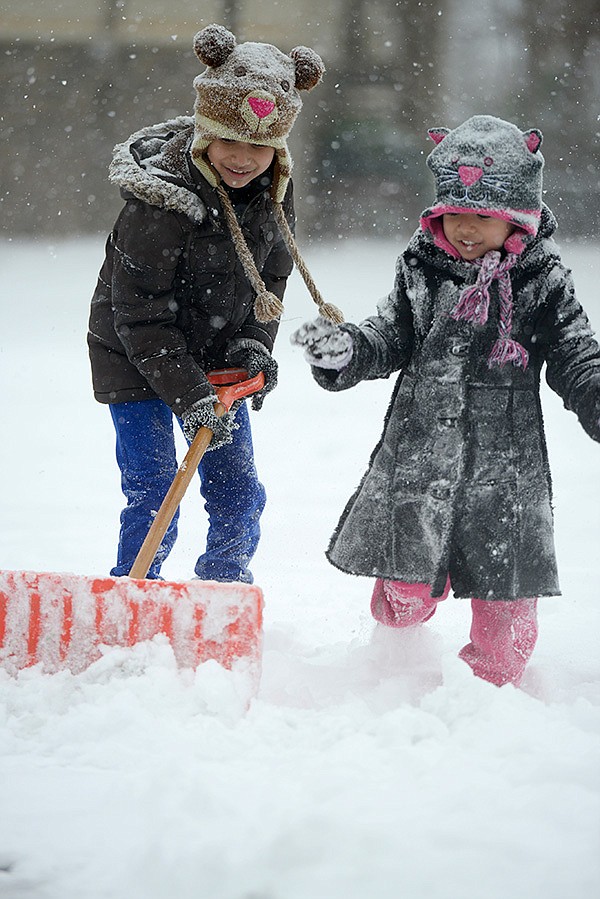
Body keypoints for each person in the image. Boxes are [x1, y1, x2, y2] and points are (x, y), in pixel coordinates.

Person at [291, 115, 600, 686]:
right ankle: (396, 666)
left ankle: (493, 688)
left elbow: (576, 352)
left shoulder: (544, 280)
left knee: (505, 585)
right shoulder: (423, 270)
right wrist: (347, 350)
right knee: (404, 579)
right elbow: (387, 335)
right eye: (453, 212)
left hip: (504, 468)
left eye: (482, 215)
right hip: (418, 457)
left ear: (518, 219)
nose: (464, 227)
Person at [88, 24, 327, 583]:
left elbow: (270, 275)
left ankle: (224, 588)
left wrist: (250, 344)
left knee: (238, 491)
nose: (244, 158)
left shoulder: (275, 188)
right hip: (135, 354)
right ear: (204, 135)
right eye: (231, 142)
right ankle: (135, 590)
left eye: (261, 146)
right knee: (154, 490)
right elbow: (139, 313)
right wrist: (189, 392)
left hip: (216, 354)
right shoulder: (160, 203)